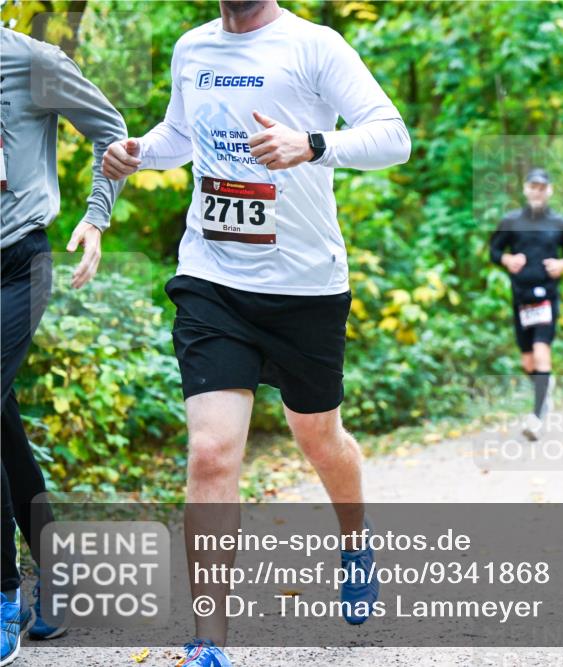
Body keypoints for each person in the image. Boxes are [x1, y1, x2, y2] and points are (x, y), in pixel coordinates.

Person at [102, 1, 410, 664]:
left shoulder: (314, 45)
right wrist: (139, 152)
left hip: (305, 288)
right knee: (211, 451)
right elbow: (182, 137)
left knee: (318, 437)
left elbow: (393, 135)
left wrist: (314, 144)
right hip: (213, 279)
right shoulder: (194, 49)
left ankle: (355, 540)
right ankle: (210, 641)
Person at [1, 27, 126, 665]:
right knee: (4, 431)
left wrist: (96, 215)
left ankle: (3, 597)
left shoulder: (30, 60)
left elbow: (112, 128)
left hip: (20, 263)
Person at [489, 168, 563, 441]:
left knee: (542, 352)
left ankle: (537, 416)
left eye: (542, 187)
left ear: (549, 191)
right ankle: (544, 387)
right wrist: (506, 260)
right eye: (533, 187)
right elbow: (494, 250)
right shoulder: (511, 221)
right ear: (526, 189)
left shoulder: (560, 223)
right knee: (528, 361)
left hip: (547, 296)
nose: (537, 191)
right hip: (521, 298)